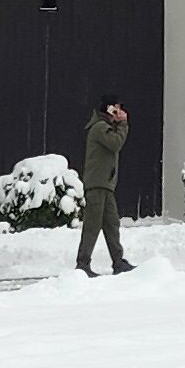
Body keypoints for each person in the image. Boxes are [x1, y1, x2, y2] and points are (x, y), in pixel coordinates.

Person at [77, 100, 131, 277]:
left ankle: (118, 261)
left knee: (111, 224)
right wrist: (123, 124)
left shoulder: (104, 127)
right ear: (110, 109)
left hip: (105, 185)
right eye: (117, 108)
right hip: (98, 184)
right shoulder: (100, 127)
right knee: (92, 225)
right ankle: (83, 264)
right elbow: (115, 143)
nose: (120, 111)